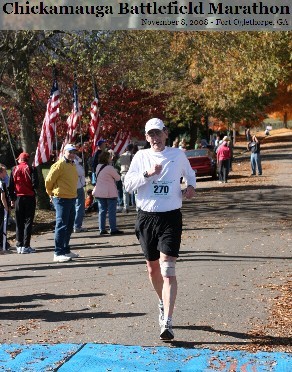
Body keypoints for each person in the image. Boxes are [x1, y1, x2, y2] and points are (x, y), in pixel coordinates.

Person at [124, 118, 196, 341]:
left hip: (170, 218)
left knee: (168, 270)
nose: (155, 138)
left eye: (158, 133)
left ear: (166, 133)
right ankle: (162, 302)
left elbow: (190, 174)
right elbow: (127, 185)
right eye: (150, 135)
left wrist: (191, 186)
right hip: (146, 218)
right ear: (146, 138)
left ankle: (168, 322)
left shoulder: (178, 155)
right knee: (152, 269)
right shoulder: (141, 157)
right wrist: (147, 174)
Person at [45, 144, 79, 262]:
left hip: (71, 198)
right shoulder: (59, 165)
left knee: (69, 225)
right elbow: (49, 181)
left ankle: (65, 249)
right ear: (64, 152)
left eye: (74, 152)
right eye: (70, 152)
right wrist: (51, 194)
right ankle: (58, 252)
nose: (72, 154)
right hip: (61, 198)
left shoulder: (72, 164)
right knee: (62, 225)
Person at [9, 152, 39, 254]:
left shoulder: (14, 169)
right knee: (28, 222)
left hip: (18, 198)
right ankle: (26, 245)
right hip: (29, 197)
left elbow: (10, 185)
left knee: (19, 221)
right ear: (27, 160)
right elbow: (35, 184)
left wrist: (12, 199)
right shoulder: (31, 169)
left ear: (20, 159)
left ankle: (19, 245)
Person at [93, 151, 124, 235]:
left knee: (102, 211)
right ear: (107, 158)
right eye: (110, 157)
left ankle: (102, 229)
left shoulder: (98, 167)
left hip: (100, 191)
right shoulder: (110, 168)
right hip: (110, 192)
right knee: (111, 212)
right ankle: (113, 229)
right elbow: (118, 178)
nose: (111, 158)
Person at [73, 154, 87, 233]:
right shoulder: (75, 163)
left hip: (72, 187)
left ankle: (74, 225)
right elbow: (81, 172)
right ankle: (77, 226)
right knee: (79, 207)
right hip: (77, 187)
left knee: (73, 207)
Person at [119, 144, 134, 213]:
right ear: (132, 149)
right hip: (130, 173)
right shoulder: (132, 155)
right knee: (134, 190)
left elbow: (119, 164)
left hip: (123, 173)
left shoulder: (121, 156)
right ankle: (137, 206)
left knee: (125, 192)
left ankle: (126, 206)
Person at [0, 164, 10, 252]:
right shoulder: (2, 183)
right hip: (1, 207)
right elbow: (2, 197)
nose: (6, 174)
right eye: (4, 172)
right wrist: (6, 207)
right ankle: (3, 247)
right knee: (3, 227)